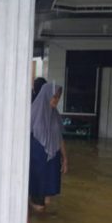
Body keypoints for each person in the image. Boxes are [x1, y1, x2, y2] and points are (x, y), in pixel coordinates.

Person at [29, 82, 67, 213]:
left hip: (52, 160)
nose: (57, 100)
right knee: (39, 205)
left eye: (58, 97)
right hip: (37, 160)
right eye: (54, 97)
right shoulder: (33, 113)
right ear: (46, 95)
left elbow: (59, 138)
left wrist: (65, 158)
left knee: (47, 201)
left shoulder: (55, 115)